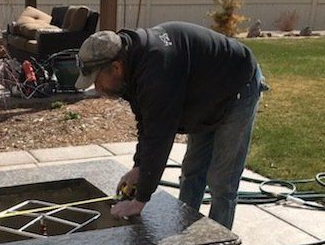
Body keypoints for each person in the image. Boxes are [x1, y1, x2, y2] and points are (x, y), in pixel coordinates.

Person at [75, 22, 266, 230]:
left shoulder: (156, 69)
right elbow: (146, 122)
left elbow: (160, 136)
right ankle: (185, 233)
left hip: (237, 89)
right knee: (192, 171)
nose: (98, 89)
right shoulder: (131, 61)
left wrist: (140, 200)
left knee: (222, 181)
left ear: (116, 67)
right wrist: (139, 167)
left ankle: (218, 243)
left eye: (97, 81)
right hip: (205, 96)